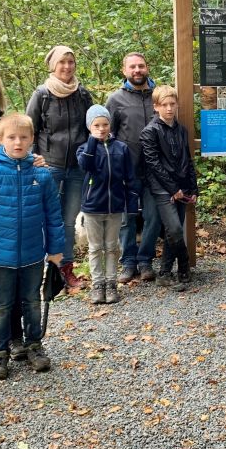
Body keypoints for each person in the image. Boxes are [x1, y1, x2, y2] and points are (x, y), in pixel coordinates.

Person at [0, 114, 65, 382]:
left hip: (33, 253)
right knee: (2, 305)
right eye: (11, 137)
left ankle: (34, 345)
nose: (18, 142)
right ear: (1, 140)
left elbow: (53, 215)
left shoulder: (42, 174)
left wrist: (56, 250)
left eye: (23, 137)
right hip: (1, 256)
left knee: (32, 301)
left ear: (32, 139)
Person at [26, 45, 93, 288]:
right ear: (53, 65)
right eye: (62, 62)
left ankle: (65, 272)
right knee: (45, 219)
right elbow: (28, 129)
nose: (67, 66)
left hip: (76, 168)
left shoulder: (82, 95)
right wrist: (33, 158)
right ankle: (43, 272)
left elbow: (92, 128)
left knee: (68, 221)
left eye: (70, 62)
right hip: (48, 167)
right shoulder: (42, 95)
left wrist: (90, 155)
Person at [107, 52, 161, 284]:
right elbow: (108, 134)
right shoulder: (115, 99)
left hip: (155, 170)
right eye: (132, 67)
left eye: (141, 66)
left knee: (153, 217)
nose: (137, 70)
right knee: (127, 219)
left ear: (147, 67)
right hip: (126, 170)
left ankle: (145, 260)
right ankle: (128, 262)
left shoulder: (158, 96)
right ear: (124, 71)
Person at [77, 104, 139, 305]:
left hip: (115, 207)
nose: (101, 129)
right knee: (95, 248)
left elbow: (130, 178)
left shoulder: (121, 148)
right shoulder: (84, 149)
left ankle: (111, 283)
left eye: (105, 124)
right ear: (89, 127)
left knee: (112, 246)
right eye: (96, 125)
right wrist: (92, 142)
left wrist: (131, 205)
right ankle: (98, 284)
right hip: (93, 207)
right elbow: (85, 165)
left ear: (110, 125)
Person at [140, 85, 198, 288]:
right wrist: (173, 189)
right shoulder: (150, 132)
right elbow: (153, 164)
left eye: (172, 104)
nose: (169, 108)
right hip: (162, 188)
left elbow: (187, 160)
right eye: (164, 105)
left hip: (182, 185)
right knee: (174, 229)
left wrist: (193, 188)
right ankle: (184, 265)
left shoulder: (181, 130)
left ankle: (165, 272)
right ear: (156, 107)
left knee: (175, 231)